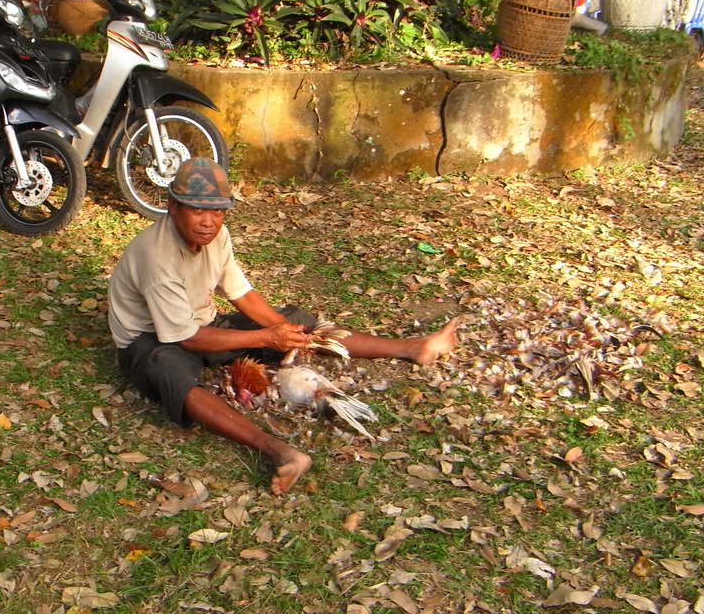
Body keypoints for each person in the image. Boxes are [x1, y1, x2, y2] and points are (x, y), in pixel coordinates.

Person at [107, 158, 462, 495]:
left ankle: (411, 348)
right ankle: (277, 450)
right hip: (151, 340)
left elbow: (241, 293)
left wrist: (284, 331)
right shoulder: (156, 255)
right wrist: (265, 337)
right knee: (170, 371)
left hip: (200, 322)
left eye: (217, 211)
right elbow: (186, 338)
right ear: (172, 206)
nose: (208, 222)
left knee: (294, 319)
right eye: (197, 209)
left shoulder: (217, 236)